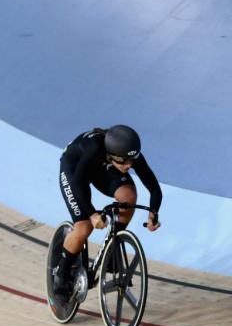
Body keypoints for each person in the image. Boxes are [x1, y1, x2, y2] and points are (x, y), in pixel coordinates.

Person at [55, 125, 162, 296]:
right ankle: (62, 273)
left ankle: (112, 249)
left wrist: (153, 212)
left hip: (102, 166)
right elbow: (77, 183)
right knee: (84, 227)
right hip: (74, 169)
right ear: (113, 155)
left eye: (132, 161)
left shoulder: (127, 155)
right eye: (124, 162)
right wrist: (92, 214)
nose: (129, 166)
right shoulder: (94, 149)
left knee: (128, 197)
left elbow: (154, 188)